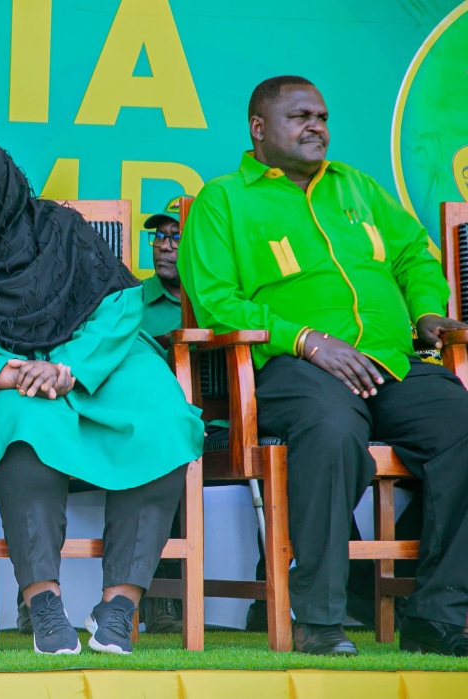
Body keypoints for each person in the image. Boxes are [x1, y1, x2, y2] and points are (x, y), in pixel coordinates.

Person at [179, 76, 468, 656]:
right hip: (292, 369)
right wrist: (307, 339)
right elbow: (215, 301)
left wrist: (427, 310)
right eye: (300, 117)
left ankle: (438, 616)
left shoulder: (356, 186)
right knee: (332, 433)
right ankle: (319, 619)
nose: (316, 127)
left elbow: (413, 255)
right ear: (259, 128)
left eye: (322, 117)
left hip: (390, 363)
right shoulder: (223, 200)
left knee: (462, 426)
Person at [0, 137, 203, 655]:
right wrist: (2, 372)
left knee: (164, 422)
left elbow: (122, 303)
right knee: (24, 428)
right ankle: (43, 603)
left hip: (93, 359)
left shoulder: (60, 229)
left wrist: (71, 367)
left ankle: (119, 606)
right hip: (4, 367)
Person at [140, 196, 184, 345]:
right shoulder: (134, 299)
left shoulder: (218, 300)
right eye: (159, 236)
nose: (164, 246)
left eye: (177, 237)